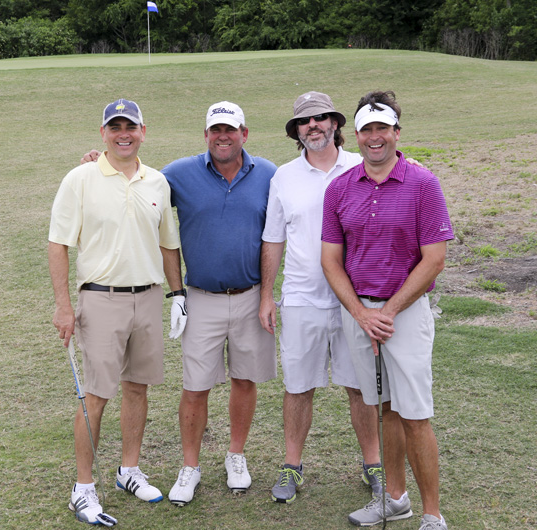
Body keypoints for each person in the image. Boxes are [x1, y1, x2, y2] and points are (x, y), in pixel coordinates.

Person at [82, 101, 278, 507]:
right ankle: (190, 466)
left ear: (244, 133)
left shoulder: (269, 174)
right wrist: (98, 164)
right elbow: (138, 178)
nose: (222, 137)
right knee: (195, 387)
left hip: (251, 296)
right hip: (201, 297)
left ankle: (236, 455)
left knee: (245, 380)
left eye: (230, 130)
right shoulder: (180, 173)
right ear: (205, 135)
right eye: (215, 130)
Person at [321, 90, 453, 530]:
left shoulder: (423, 183)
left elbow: (434, 259)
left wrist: (389, 311)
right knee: (386, 409)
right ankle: (395, 499)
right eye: (367, 129)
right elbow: (330, 260)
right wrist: (361, 314)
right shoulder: (339, 188)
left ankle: (432, 514)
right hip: (360, 314)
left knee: (415, 414)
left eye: (383, 128)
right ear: (355, 135)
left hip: (405, 314)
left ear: (397, 132)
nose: (374, 137)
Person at [49, 98, 186, 525]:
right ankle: (83, 488)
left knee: (137, 388)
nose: (123, 134)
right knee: (96, 395)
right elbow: (58, 244)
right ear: (103, 133)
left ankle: (129, 470)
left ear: (144, 131)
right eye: (115, 127)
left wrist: (178, 294)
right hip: (100, 298)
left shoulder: (157, 181)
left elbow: (168, 244)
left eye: (131, 127)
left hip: (147, 297)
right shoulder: (80, 178)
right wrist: (63, 306)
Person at [259, 92, 397, 509]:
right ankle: (292, 466)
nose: (313, 125)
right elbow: (273, 239)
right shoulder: (283, 177)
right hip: (302, 297)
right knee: (298, 386)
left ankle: (373, 464)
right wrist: (267, 294)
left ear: (336, 123)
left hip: (357, 299)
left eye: (321, 118)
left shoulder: (360, 165)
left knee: (360, 387)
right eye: (305, 121)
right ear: (296, 131)